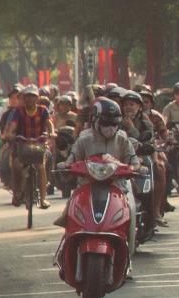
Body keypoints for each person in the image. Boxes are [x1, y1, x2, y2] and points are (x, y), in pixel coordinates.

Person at [55, 98, 141, 232]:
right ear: (95, 121)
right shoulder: (84, 141)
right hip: (86, 187)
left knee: (130, 209)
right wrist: (65, 167)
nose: (110, 128)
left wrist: (137, 168)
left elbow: (134, 162)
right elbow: (70, 162)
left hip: (117, 188)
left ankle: (127, 246)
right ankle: (67, 244)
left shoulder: (123, 140)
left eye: (114, 124)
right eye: (105, 123)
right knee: (71, 207)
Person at [118, 89, 166, 226]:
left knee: (158, 169)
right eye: (126, 104)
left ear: (139, 107)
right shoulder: (116, 121)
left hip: (142, 157)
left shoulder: (147, 123)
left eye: (132, 104)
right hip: (120, 159)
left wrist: (132, 128)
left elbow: (148, 142)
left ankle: (154, 211)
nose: (128, 107)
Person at [1, 86, 54, 208]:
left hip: (39, 144)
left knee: (41, 167)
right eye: (28, 96)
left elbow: (49, 123)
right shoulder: (19, 112)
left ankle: (42, 198)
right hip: (22, 146)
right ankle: (17, 193)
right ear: (24, 98)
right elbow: (13, 124)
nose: (30, 99)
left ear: (37, 98)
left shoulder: (43, 110)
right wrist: (9, 134)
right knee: (16, 165)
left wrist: (51, 132)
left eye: (33, 96)